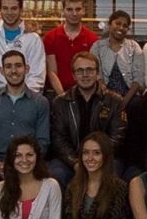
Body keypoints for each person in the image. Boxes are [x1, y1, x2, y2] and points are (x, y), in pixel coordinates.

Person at [0, 50, 52, 191]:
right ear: (2, 70)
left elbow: (43, 141)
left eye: (18, 66)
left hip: (30, 161)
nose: (14, 71)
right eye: (8, 66)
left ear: (26, 68)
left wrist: (25, 162)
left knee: (51, 183)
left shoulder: (41, 102)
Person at [49, 52, 126, 186]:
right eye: (80, 71)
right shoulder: (60, 102)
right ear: (73, 75)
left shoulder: (115, 101)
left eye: (90, 70)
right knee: (55, 176)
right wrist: (76, 163)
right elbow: (58, 139)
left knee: (113, 177)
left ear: (97, 73)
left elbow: (117, 137)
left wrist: (96, 158)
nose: (85, 75)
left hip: (105, 158)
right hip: (70, 160)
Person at [0, 0, 46, 93]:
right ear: (0, 10)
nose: (9, 12)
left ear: (21, 10)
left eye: (14, 8)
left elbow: (37, 76)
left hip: (26, 96)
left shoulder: (33, 38)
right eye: (5, 8)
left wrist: (27, 99)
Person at [42, 0, 99, 97]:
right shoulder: (50, 37)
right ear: (63, 11)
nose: (74, 13)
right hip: (57, 93)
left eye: (78, 9)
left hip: (85, 94)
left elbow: (92, 73)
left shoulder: (93, 39)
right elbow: (52, 72)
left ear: (83, 11)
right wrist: (64, 97)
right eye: (69, 9)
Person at [91, 10, 145, 100]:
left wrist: (124, 102)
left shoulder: (134, 46)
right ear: (109, 24)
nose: (121, 28)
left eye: (125, 26)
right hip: (104, 97)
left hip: (130, 98)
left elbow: (138, 78)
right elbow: (95, 72)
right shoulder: (97, 46)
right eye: (118, 23)